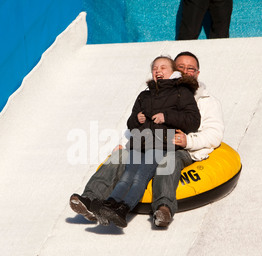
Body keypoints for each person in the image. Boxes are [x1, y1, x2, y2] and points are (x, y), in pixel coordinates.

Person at [70, 51, 224, 228]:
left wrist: (188, 141)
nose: (185, 71)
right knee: (120, 157)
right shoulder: (156, 93)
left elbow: (214, 133)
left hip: (185, 148)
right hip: (151, 143)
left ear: (197, 73)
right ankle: (90, 200)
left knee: (168, 160)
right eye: (180, 67)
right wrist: (124, 143)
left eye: (191, 68)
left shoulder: (206, 100)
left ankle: (163, 208)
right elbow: (139, 122)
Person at [95, 56, 201, 228]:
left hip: (161, 145)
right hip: (141, 145)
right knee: (127, 176)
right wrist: (137, 119)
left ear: (173, 71)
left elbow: (193, 120)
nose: (158, 71)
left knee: (139, 177)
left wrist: (167, 116)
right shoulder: (145, 95)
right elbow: (131, 123)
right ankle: (110, 204)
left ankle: (124, 208)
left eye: (163, 68)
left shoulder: (181, 92)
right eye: (155, 68)